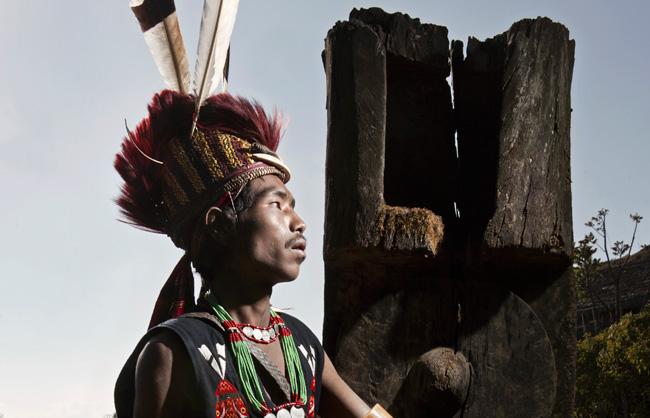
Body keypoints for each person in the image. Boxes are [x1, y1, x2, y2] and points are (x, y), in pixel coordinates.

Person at [113, 90, 393, 418]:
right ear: (219, 226)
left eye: (293, 207)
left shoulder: (302, 344)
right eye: (276, 204)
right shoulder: (172, 353)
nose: (299, 223)